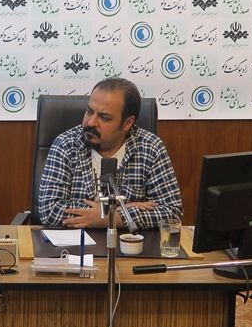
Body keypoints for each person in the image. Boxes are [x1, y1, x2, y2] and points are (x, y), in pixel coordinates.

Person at [38, 78, 183, 229]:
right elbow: (49, 210)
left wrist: (112, 217)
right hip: (77, 242)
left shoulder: (150, 148)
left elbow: (172, 212)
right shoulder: (66, 144)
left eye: (104, 118)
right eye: (89, 111)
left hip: (129, 242)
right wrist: (120, 209)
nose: (91, 122)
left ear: (127, 123)